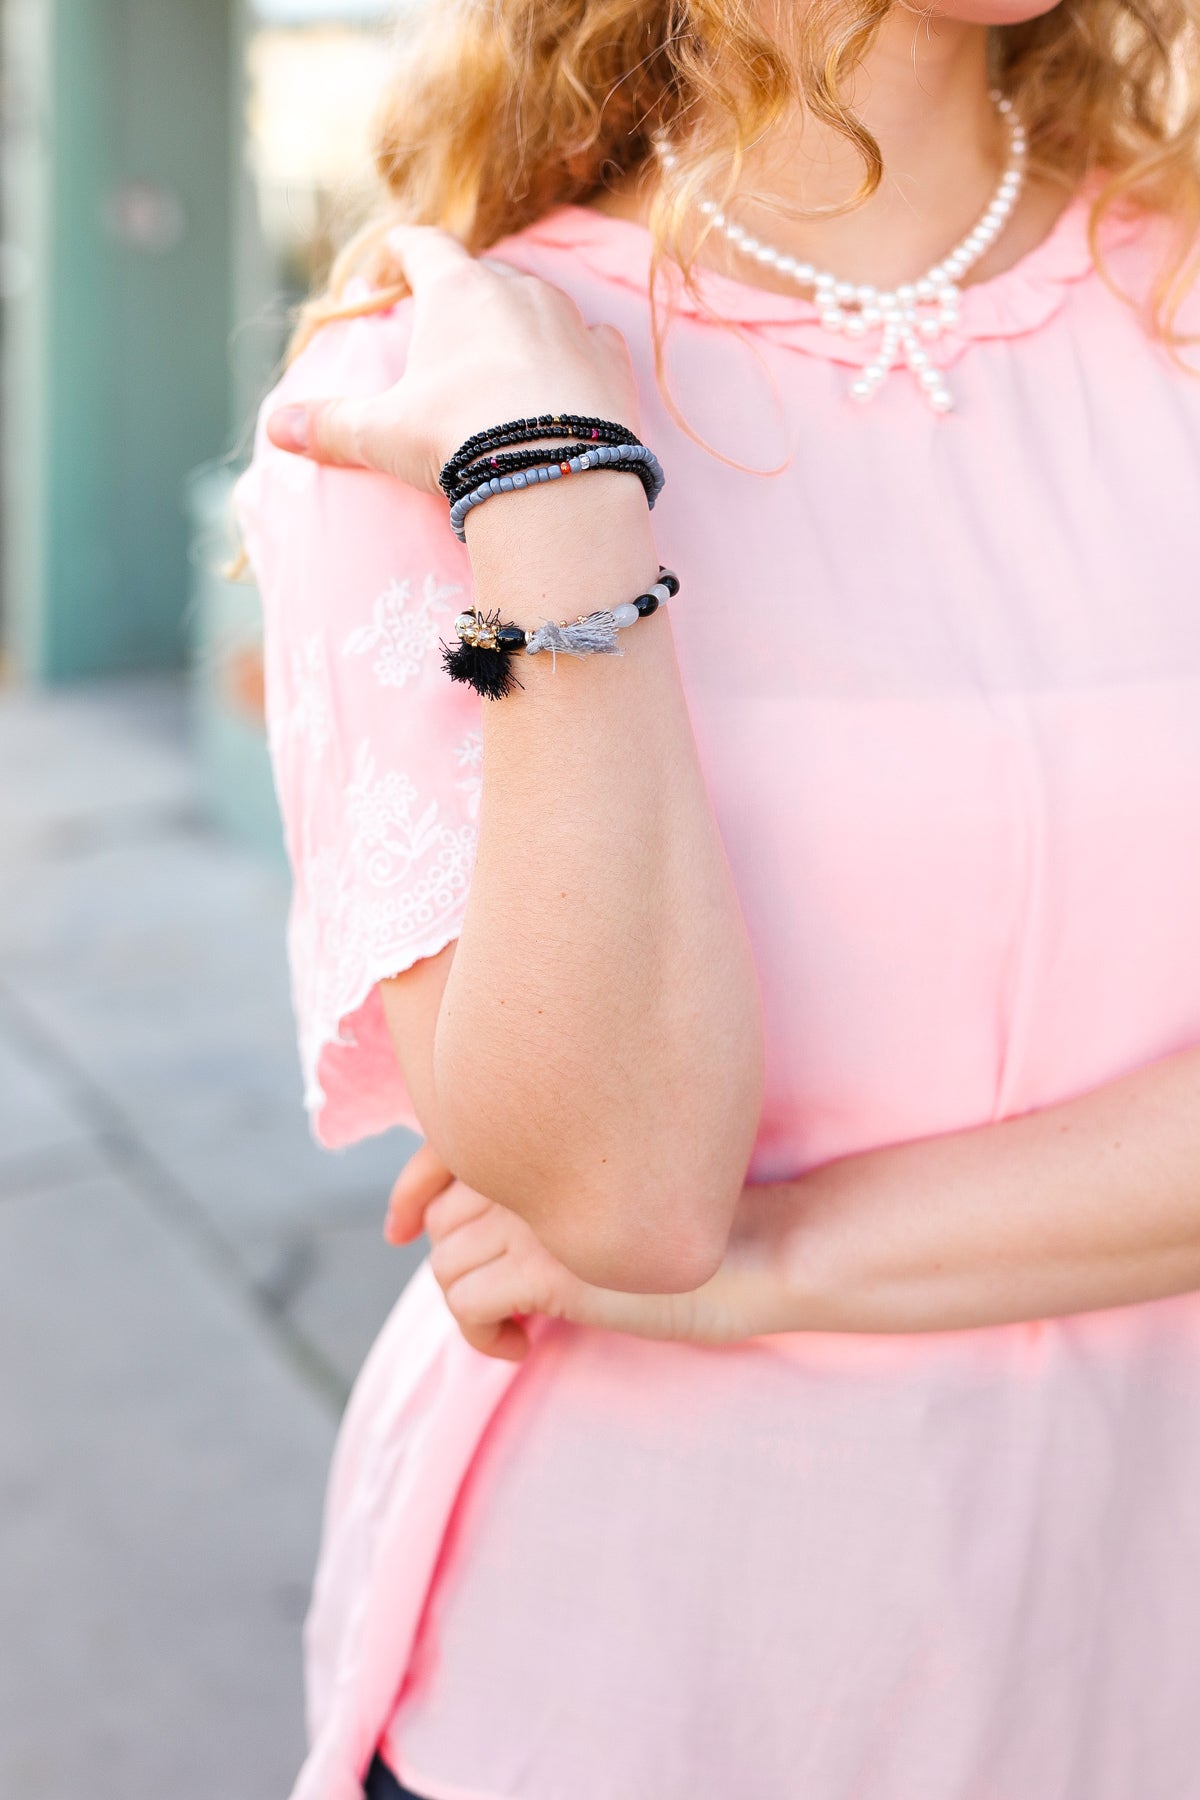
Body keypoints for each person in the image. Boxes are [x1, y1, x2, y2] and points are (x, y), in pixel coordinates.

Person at [233, 0, 1200, 1792]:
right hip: (633, 1685)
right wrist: (555, 490)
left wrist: (788, 1261)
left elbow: (678, 1253)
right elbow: (620, 1193)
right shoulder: (431, 381)